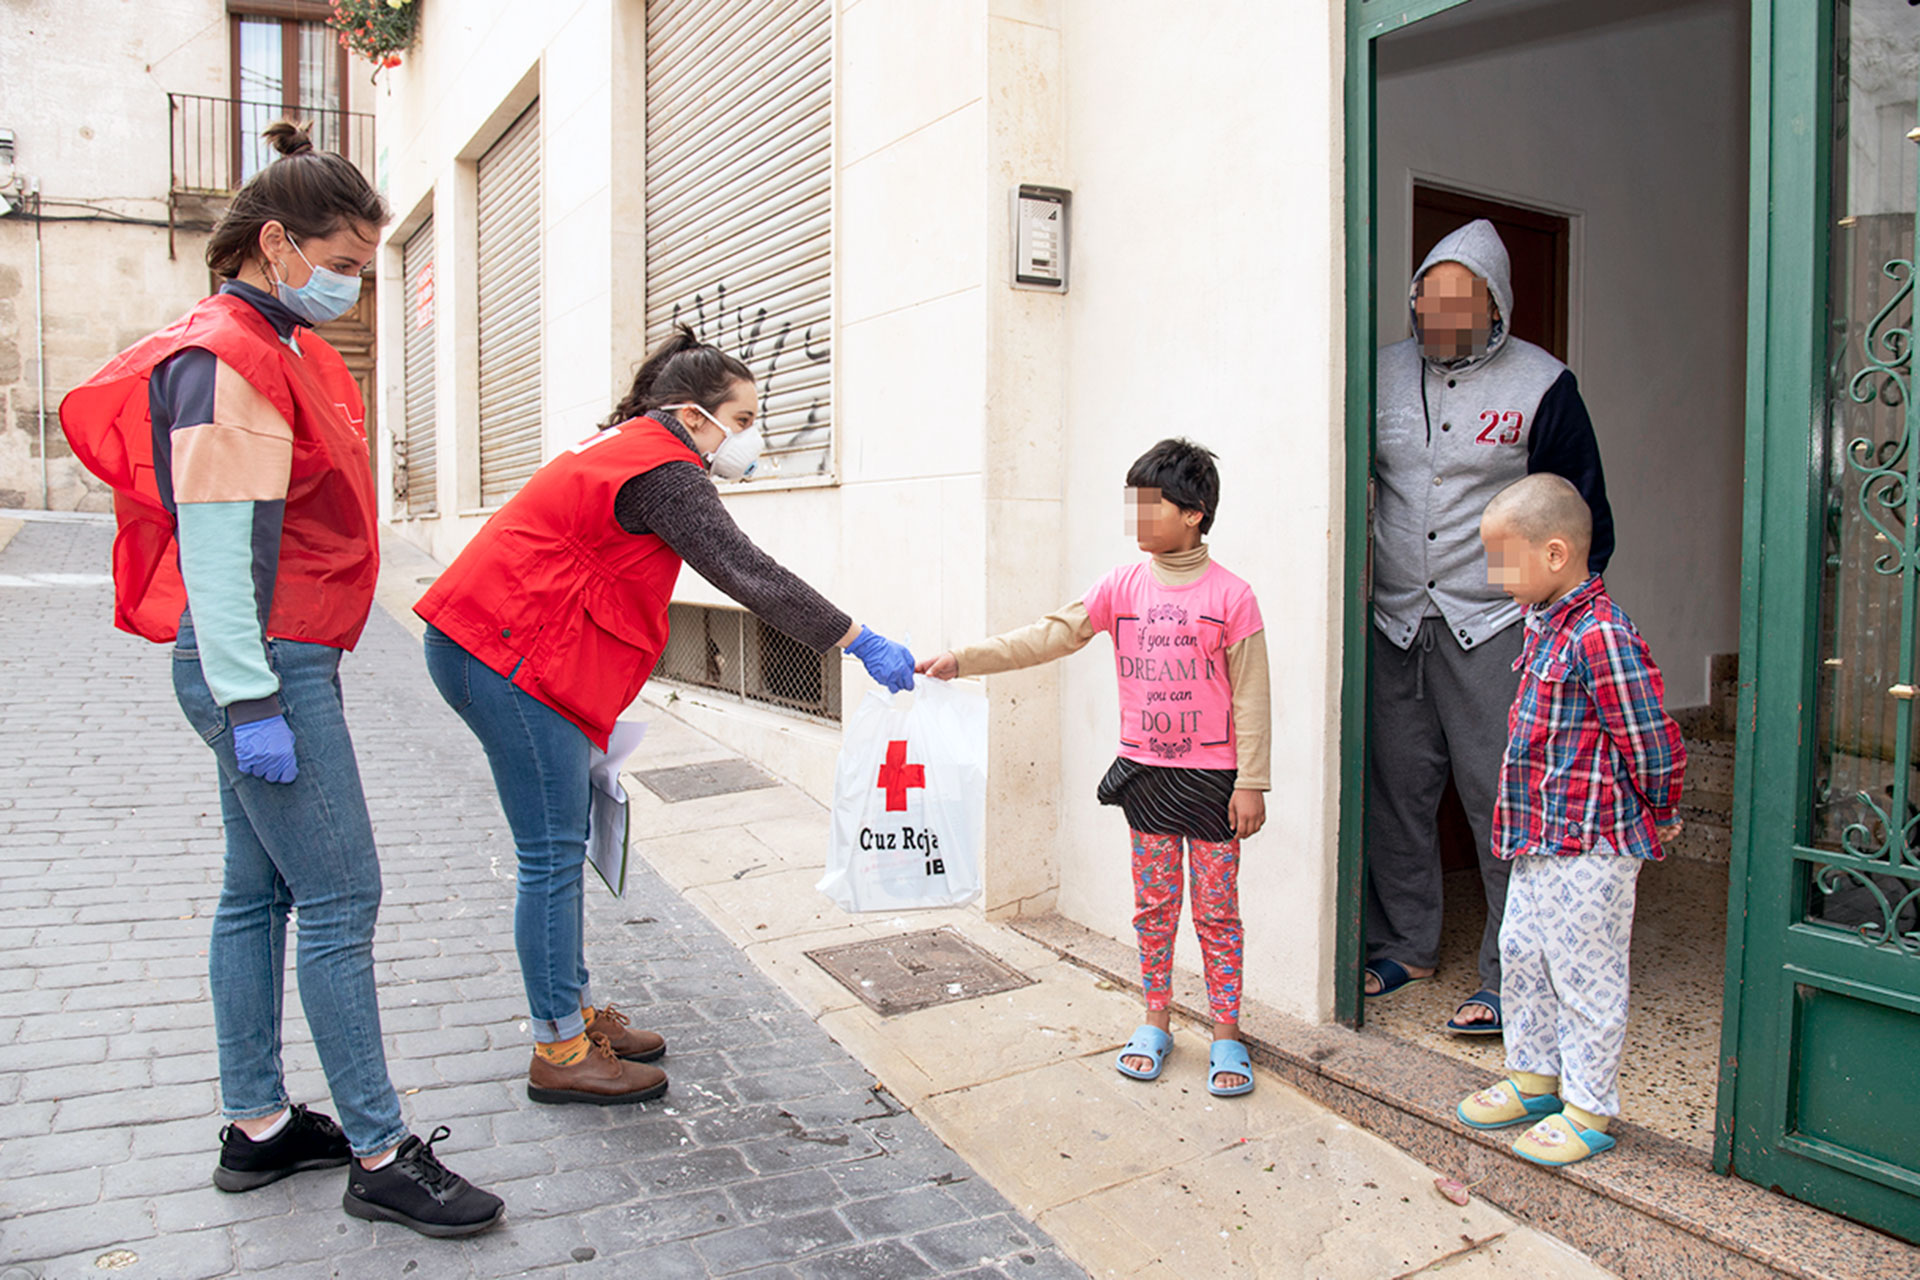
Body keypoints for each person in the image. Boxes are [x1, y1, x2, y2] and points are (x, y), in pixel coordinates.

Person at [59, 122, 503, 1236]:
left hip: (267, 658)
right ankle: (379, 1147)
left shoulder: (264, 342)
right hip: (264, 666)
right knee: (343, 896)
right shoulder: (230, 355)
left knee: (256, 893)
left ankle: (259, 1127)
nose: (355, 286)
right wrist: (252, 697)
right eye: (346, 262)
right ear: (276, 244)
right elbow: (216, 539)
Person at [415, 326, 916, 1106]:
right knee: (550, 855)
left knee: (560, 843)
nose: (750, 439)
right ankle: (559, 1047)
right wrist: (856, 639)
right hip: (506, 660)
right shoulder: (665, 473)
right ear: (692, 416)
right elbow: (748, 572)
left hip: (497, 648)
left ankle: (576, 1015)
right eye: (742, 421)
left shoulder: (623, 447)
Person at [918, 439, 1270, 1096]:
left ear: (1194, 513)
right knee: (1154, 906)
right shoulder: (1120, 586)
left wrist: (1252, 781)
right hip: (1146, 777)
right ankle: (1156, 1018)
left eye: (1151, 506)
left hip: (1215, 782)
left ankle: (1227, 1031)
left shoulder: (1234, 597)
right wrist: (963, 659)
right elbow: (1049, 634)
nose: (1137, 519)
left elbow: (1252, 693)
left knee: (1218, 911)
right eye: (1132, 505)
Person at [1367, 218, 1615, 1036]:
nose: (1436, 320)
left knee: (1503, 802)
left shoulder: (1545, 385)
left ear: (1495, 305)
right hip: (1397, 620)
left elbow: (1583, 520)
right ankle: (1406, 944)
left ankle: (1513, 978)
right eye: (1424, 302)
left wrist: (1551, 621)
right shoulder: (1376, 376)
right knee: (1398, 791)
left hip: (1496, 626)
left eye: (1456, 304)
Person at [1453, 474, 1685, 1167]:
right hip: (1538, 836)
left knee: (1586, 973)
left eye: (1503, 559)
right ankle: (1534, 1077)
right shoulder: (1543, 626)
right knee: (1523, 954)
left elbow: (1648, 733)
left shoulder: (1601, 635)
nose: (1495, 576)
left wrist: (1662, 805)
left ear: (1555, 554)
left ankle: (1589, 1106)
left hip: (1593, 842)